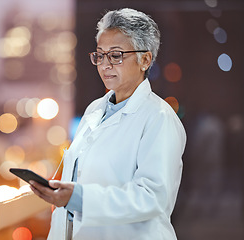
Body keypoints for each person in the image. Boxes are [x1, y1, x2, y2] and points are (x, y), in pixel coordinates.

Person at [30, 8, 186, 240]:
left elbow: (152, 197)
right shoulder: (94, 111)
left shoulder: (159, 118)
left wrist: (78, 198)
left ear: (145, 59)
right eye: (100, 55)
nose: (105, 65)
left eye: (116, 55)